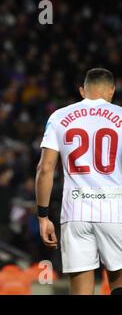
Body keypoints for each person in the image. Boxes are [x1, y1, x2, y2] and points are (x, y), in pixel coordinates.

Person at [36, 68, 122, 295]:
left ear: (83, 91)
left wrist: (43, 216)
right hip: (115, 211)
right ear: (112, 90)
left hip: (75, 213)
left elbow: (45, 169)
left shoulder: (59, 117)